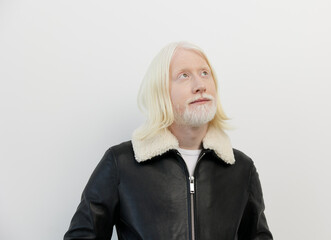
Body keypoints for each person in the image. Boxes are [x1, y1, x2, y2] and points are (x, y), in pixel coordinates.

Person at [64, 41, 273, 240]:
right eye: (184, 75)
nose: (200, 85)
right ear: (161, 92)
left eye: (204, 73)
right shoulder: (122, 163)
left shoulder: (241, 169)